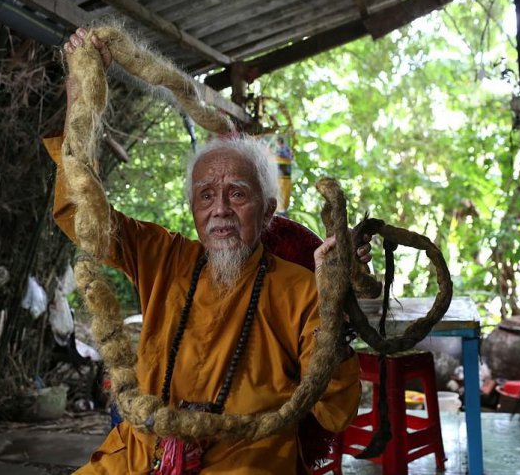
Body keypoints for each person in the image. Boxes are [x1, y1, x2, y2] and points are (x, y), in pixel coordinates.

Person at [46, 28, 374, 474]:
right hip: (140, 457)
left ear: (267, 212)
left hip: (244, 463)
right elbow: (78, 213)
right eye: (205, 196)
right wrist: (79, 93)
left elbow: (336, 413)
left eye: (237, 194)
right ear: (193, 209)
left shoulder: (301, 289)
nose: (219, 209)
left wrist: (333, 302)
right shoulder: (163, 257)